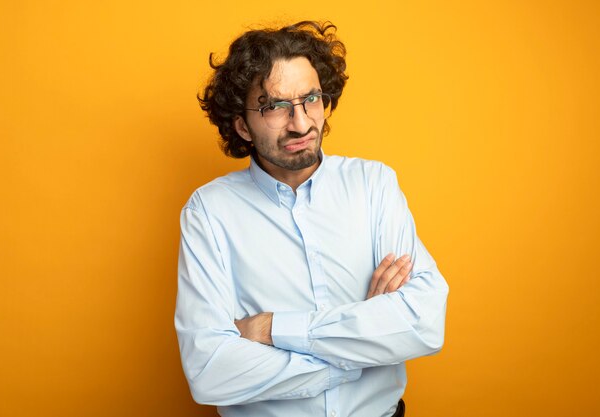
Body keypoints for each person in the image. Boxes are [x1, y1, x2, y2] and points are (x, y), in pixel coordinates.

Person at [175, 20, 449, 417]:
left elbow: (424, 323)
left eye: (311, 99)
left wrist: (271, 329)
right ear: (242, 125)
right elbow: (210, 371)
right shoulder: (209, 212)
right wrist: (363, 338)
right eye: (275, 107)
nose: (301, 124)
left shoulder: (374, 185)